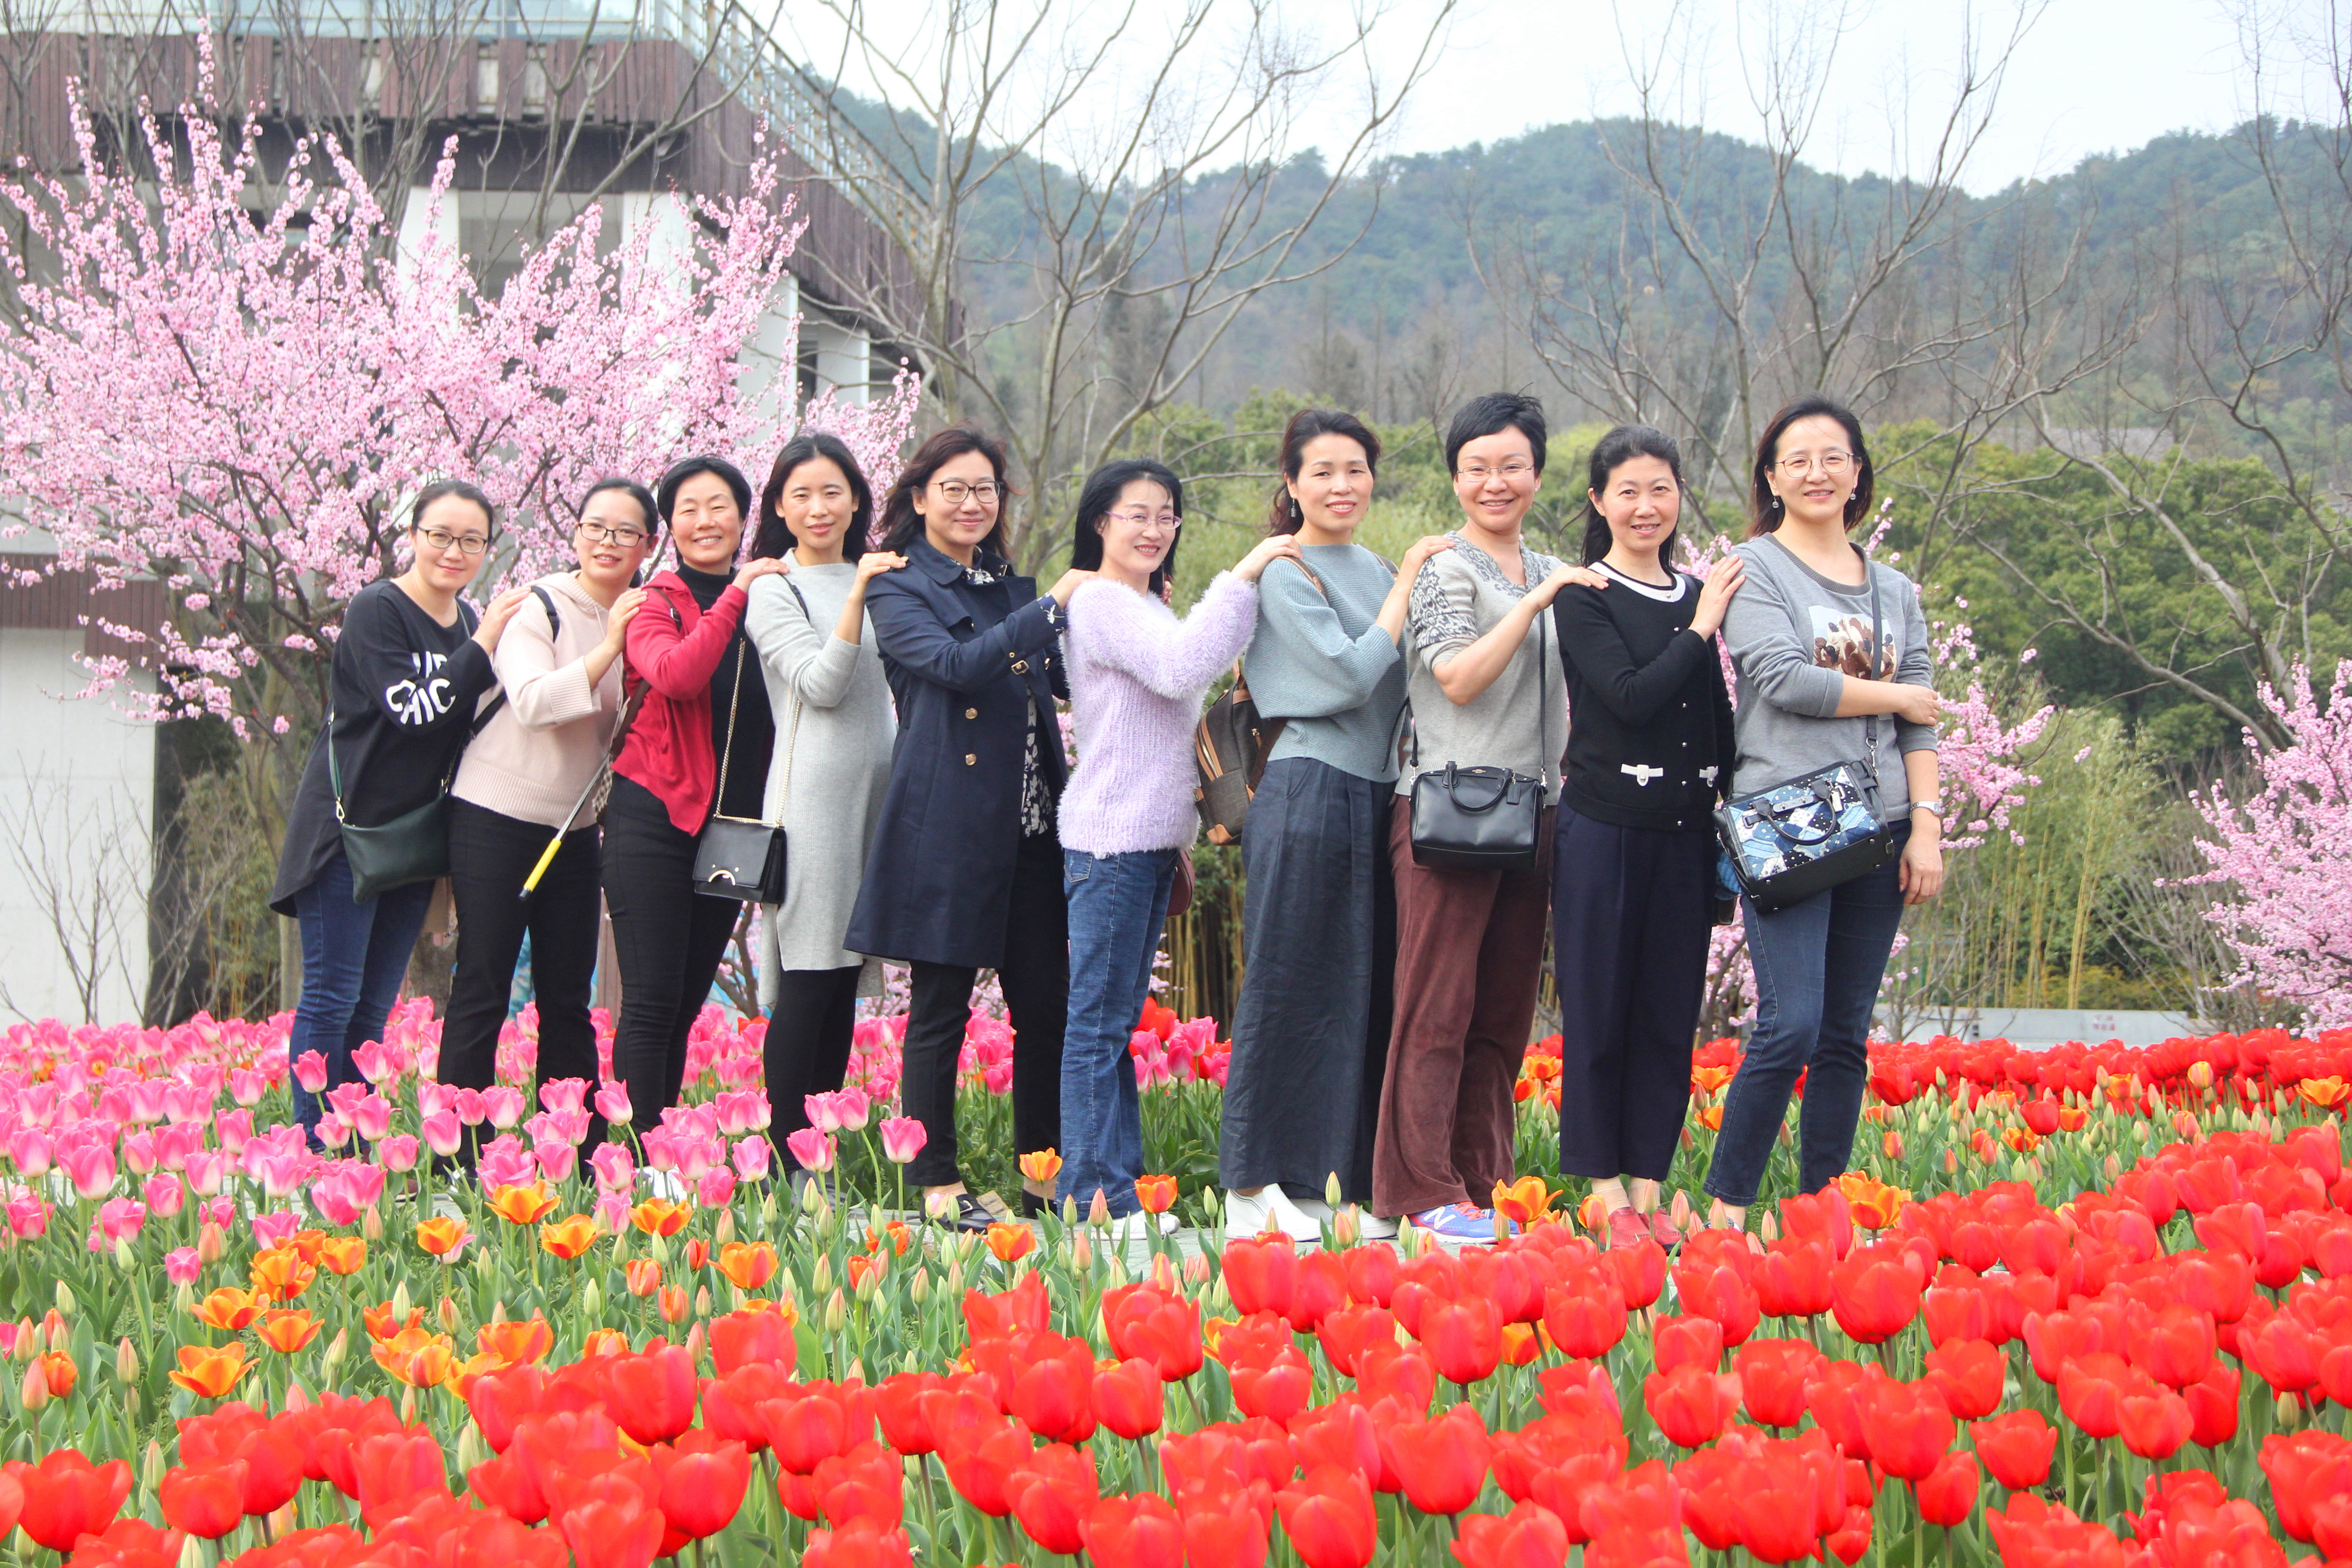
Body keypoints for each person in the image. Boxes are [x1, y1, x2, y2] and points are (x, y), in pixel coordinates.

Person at [1700, 394, 1945, 1231]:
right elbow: (1782, 679)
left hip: (1883, 826)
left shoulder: (1895, 589)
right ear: (1771, 479)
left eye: (1833, 457)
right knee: (1791, 1024)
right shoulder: (1753, 568)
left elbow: (1921, 719)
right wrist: (1897, 693)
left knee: (1844, 1033)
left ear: (1858, 472)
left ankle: (1823, 1214)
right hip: (1790, 823)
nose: (1816, 473)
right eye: (1796, 460)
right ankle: (1727, 1211)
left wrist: (1927, 825)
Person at [1372, 392, 1606, 1241]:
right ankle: (1419, 1189)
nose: (1495, 482)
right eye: (1477, 468)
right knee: (1435, 1008)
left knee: (1502, 1016)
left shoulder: (1551, 565)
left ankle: (1485, 1182)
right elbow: (1458, 679)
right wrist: (1538, 604)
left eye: (1512, 466)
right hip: (1451, 811)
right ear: (1455, 478)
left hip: (1535, 811)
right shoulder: (1446, 568)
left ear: (1538, 475)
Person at [846, 427, 1093, 1229]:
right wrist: (1051, 608)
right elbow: (955, 668)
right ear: (920, 498)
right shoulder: (898, 586)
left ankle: (1043, 1181)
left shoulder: (1009, 588)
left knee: (1046, 1011)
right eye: (953, 488)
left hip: (1033, 830)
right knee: (941, 1010)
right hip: (948, 829)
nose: (971, 503)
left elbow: (1060, 681)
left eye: (985, 488)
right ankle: (937, 1184)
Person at [1217, 408, 1453, 1243]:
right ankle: (1251, 1184)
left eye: (1356, 469)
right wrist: (1408, 584)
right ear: (1292, 484)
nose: (1342, 486)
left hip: (1378, 794)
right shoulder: (1285, 571)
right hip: (1307, 787)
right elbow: (1353, 677)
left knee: (1358, 986)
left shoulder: (1378, 566)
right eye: (1322, 471)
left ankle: (1331, 1175)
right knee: (1286, 983)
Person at [1054, 458, 1298, 1240]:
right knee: (1098, 1026)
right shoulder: (1100, 602)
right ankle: (1095, 1199)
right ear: (1101, 522)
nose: (1155, 528)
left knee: (1114, 1024)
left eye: (1167, 515)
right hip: (1113, 840)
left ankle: (1113, 1193)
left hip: (1148, 841)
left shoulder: (1144, 604)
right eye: (1137, 514)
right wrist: (1247, 573)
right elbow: (1181, 666)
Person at [269, 481, 532, 1147]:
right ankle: (313, 1142)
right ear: (413, 536)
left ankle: (351, 1143)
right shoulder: (378, 609)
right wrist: (485, 643)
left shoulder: (467, 622)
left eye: (471, 540)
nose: (454, 551)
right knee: (332, 995)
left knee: (372, 1006)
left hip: (413, 842)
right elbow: (413, 711)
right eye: (440, 535)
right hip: (347, 833)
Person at [1549, 427, 1741, 1249]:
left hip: (1685, 835)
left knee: (1668, 1016)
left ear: (1679, 495)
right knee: (1601, 1009)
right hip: (1604, 830)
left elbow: (1713, 715)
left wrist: (1736, 805)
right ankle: (1602, 1190)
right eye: (1627, 491)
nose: (1646, 506)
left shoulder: (1696, 592)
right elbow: (1628, 697)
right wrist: (1702, 627)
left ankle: (1648, 1186)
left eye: (1661, 488)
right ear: (1599, 500)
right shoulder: (1583, 594)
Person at [434, 479, 654, 1161]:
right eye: (596, 527)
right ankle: (457, 1157)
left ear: (648, 544)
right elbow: (532, 703)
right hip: (494, 819)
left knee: (568, 997)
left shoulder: (647, 616)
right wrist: (610, 645)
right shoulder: (540, 607)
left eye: (626, 532)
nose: (608, 542)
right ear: (576, 534)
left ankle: (573, 1153)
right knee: (483, 985)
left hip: (576, 831)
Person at [604, 456, 789, 1143]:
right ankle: (635, 1159)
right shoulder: (655, 602)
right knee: (651, 1001)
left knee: (683, 1004)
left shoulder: (776, 597)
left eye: (720, 507)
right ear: (670, 527)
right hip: (654, 817)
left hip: (732, 831)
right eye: (689, 509)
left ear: (744, 518)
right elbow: (677, 675)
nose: (705, 520)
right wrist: (735, 595)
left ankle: (657, 1153)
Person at [742, 434, 903, 1188]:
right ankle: (787, 1163)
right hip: (812, 802)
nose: (818, 507)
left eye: (832, 491)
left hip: (880, 798)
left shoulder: (884, 573)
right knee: (809, 979)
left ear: (856, 499)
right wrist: (860, 594)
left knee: (843, 984)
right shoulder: (774, 588)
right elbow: (820, 685)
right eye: (800, 494)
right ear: (779, 507)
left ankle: (819, 1160)